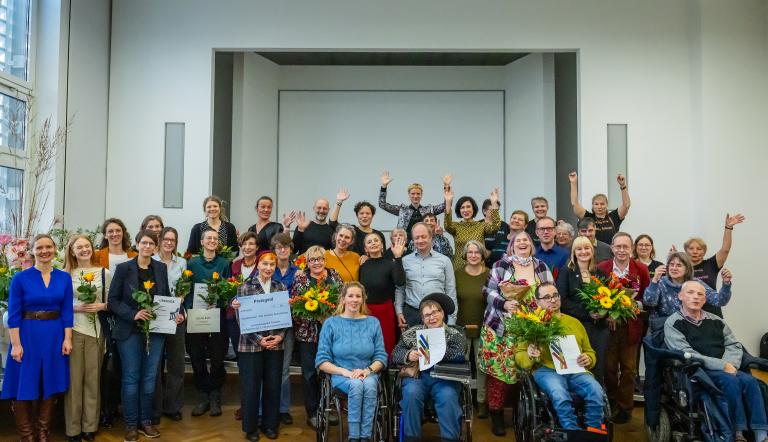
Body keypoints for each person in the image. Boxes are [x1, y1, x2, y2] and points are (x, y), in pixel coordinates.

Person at [664, 280, 768, 442]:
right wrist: (721, 365)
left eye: (700, 294)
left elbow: (734, 344)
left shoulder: (716, 320)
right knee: (730, 382)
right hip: (700, 370)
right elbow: (686, 353)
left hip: (727, 366)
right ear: (681, 296)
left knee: (750, 382)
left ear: (705, 300)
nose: (695, 297)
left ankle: (760, 431)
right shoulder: (673, 322)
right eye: (690, 293)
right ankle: (738, 431)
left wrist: (730, 364)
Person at [108, 230, 183, 442]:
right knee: (131, 378)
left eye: (152, 243)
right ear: (137, 244)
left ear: (156, 246)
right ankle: (131, 424)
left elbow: (166, 297)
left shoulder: (159, 268)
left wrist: (175, 314)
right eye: (144, 243)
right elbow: (112, 301)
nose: (148, 246)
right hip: (129, 330)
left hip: (156, 330)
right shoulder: (124, 268)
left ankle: (146, 421)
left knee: (150, 378)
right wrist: (133, 314)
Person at [479, 231, 553, 436]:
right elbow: (487, 291)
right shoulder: (501, 265)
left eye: (526, 240)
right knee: (501, 376)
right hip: (501, 329)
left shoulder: (541, 267)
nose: (522, 243)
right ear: (511, 245)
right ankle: (496, 414)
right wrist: (504, 303)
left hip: (531, 329)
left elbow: (550, 293)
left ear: (531, 245)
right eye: (517, 240)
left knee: (527, 372)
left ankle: (524, 413)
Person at [2, 234, 74, 441]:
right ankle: (27, 435)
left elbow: (67, 311)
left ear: (55, 249)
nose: (44, 251)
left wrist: (67, 339)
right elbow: (14, 315)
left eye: (48, 247)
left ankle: (43, 431)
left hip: (54, 333)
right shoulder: (20, 278)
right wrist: (16, 344)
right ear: (32, 251)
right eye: (39, 247)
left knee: (49, 380)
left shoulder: (63, 278)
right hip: (27, 334)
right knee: (24, 381)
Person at [515, 283, 607, 434]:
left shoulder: (575, 323)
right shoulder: (530, 324)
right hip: (547, 370)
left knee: (596, 390)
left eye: (555, 295)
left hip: (575, 369)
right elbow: (519, 356)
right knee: (559, 393)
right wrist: (530, 354)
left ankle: (594, 431)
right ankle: (571, 432)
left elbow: (590, 352)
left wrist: (588, 359)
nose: (553, 300)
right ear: (537, 302)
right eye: (547, 297)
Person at [316, 282, 388, 442]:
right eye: (350, 296)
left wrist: (367, 370)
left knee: (368, 385)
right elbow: (321, 360)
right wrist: (345, 372)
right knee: (356, 385)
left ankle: (365, 436)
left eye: (358, 296)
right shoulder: (331, 323)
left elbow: (381, 356)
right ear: (343, 299)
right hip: (341, 374)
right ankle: (355, 437)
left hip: (367, 372)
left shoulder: (373, 323)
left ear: (363, 300)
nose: (354, 300)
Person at [392, 293, 468, 442]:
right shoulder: (412, 333)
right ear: (422, 319)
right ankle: (411, 438)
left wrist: (436, 351)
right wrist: (408, 355)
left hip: (444, 378)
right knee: (411, 394)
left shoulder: (455, 334)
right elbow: (395, 354)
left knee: (448, 396)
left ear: (442, 313)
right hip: (418, 377)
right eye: (427, 315)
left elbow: (460, 353)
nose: (431, 317)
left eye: (435, 312)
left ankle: (450, 439)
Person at [231, 251, 288, 441]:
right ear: (258, 265)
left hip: (275, 345)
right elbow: (242, 319)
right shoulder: (245, 287)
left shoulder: (281, 287)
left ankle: (270, 425)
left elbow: (284, 317)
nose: (268, 268)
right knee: (251, 387)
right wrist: (259, 340)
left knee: (273, 385)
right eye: (265, 264)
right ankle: (251, 428)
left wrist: (279, 337)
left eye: (272, 265)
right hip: (251, 345)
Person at [596, 232, 650, 424]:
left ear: (631, 249)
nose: (621, 250)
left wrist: (633, 306)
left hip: (631, 327)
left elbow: (646, 299)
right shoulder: (601, 268)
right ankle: (611, 402)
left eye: (625, 247)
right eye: (618, 246)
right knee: (609, 368)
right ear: (612, 248)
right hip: (608, 327)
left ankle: (626, 407)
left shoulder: (641, 270)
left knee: (629, 370)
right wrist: (607, 311)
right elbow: (597, 296)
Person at [63, 234, 111, 442]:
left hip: (96, 331)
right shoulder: (65, 274)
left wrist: (103, 306)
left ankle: (89, 426)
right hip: (72, 331)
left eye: (87, 246)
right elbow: (59, 304)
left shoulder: (104, 273)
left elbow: (113, 303)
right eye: (79, 247)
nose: (84, 249)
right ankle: (73, 429)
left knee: (92, 380)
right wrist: (76, 308)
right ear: (72, 251)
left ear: (92, 248)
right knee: (74, 382)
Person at [290, 246, 343, 428]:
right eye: (312, 260)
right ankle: (312, 412)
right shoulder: (301, 278)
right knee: (310, 374)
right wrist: (317, 317)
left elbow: (343, 303)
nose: (317, 263)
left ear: (325, 260)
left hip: (333, 335)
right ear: (307, 262)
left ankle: (327, 408)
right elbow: (295, 308)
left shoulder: (335, 276)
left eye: (320, 259)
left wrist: (329, 317)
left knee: (329, 372)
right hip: (308, 336)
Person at [185, 228, 232, 417]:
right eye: (208, 238)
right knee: (196, 356)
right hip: (196, 315)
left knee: (217, 357)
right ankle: (203, 395)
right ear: (202, 242)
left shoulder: (224, 263)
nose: (212, 241)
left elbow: (228, 289)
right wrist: (190, 309)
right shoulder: (192, 263)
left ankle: (215, 395)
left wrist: (219, 302)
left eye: (215, 238)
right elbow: (186, 289)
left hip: (217, 315)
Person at [95, 217, 136, 428]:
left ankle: (122, 405)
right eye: (110, 231)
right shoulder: (96, 256)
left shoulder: (134, 256)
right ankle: (107, 409)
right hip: (104, 315)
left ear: (123, 232)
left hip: (128, 316)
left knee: (124, 362)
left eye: (117, 230)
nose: (114, 234)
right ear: (105, 234)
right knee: (107, 364)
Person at [557, 236, 610, 384]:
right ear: (573, 252)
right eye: (579, 249)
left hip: (599, 328)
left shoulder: (600, 273)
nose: (583, 252)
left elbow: (608, 300)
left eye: (587, 248)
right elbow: (563, 301)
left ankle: (597, 401)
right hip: (576, 326)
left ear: (592, 251)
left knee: (598, 366)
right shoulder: (566, 272)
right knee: (579, 366)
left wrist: (603, 312)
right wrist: (588, 312)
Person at [153, 227, 188, 423]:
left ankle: (173, 406)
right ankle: (155, 407)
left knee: (176, 364)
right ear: (159, 240)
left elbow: (184, 290)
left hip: (177, 318)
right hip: (156, 318)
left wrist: (180, 310)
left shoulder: (182, 262)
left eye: (173, 240)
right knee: (155, 365)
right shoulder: (151, 260)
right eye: (166, 239)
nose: (169, 243)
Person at [681, 213, 745, 317]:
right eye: (691, 248)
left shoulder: (711, 264)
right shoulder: (681, 268)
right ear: (686, 251)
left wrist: (728, 227)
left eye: (699, 248)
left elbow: (725, 249)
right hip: (688, 313)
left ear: (704, 251)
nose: (695, 251)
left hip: (712, 312)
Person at [454, 240, 491, 418]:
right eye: (470, 252)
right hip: (461, 325)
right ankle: (463, 399)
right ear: (465, 255)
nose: (474, 255)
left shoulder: (490, 274)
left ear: (482, 255)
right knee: (462, 365)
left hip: (485, 326)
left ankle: (482, 401)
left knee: (482, 365)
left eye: (477, 252)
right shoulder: (457, 274)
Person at [395, 222, 457, 328]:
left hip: (437, 315)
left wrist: (452, 320)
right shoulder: (405, 261)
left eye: (423, 237)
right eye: (417, 238)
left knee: (437, 345)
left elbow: (451, 291)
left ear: (431, 237)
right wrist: (399, 311)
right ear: (413, 240)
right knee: (412, 345)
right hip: (412, 314)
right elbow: (400, 289)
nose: (420, 240)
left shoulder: (444, 261)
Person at [643, 252, 733, 324]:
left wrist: (726, 283)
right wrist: (655, 280)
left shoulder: (695, 283)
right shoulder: (660, 282)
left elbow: (719, 301)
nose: (674, 268)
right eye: (671, 264)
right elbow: (649, 302)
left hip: (690, 327)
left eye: (679, 265)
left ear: (687, 268)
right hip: (664, 328)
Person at [359, 232, 406, 356]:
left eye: (376, 240)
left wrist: (398, 257)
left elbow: (400, 282)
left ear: (382, 245)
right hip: (366, 311)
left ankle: (385, 373)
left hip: (385, 310)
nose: (373, 243)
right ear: (365, 249)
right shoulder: (362, 266)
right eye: (369, 242)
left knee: (386, 345)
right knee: (367, 345)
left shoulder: (390, 264)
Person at [270, 233, 300, 425]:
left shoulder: (298, 272)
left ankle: (282, 409)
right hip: (266, 325)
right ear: (274, 250)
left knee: (284, 369)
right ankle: (267, 407)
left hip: (287, 326)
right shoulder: (266, 268)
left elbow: (301, 298)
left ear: (290, 250)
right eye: (279, 247)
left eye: (286, 247)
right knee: (267, 368)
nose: (282, 250)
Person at [378, 170, 451, 240]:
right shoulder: (402, 210)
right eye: (413, 194)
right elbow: (382, 204)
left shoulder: (429, 210)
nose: (415, 196)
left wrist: (446, 187)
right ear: (409, 195)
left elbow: (446, 204)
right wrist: (384, 187)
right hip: (405, 246)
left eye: (418, 194)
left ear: (421, 195)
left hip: (425, 243)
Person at [443, 187, 501, 269]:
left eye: (468, 207)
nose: (465, 210)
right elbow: (447, 225)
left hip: (478, 269)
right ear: (459, 210)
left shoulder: (481, 225)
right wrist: (448, 202)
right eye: (462, 207)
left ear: (473, 208)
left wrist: (494, 204)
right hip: (459, 269)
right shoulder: (455, 227)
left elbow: (495, 227)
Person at [569, 171, 631, 244]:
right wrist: (573, 183)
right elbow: (574, 203)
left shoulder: (614, 217)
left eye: (602, 204)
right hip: (591, 252)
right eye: (596, 204)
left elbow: (626, 205)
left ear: (606, 205)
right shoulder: (587, 217)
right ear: (592, 205)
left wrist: (623, 186)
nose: (599, 206)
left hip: (610, 252)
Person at [328, 188, 386, 255]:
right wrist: (339, 202)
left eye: (368, 213)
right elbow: (332, 223)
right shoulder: (352, 230)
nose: (364, 216)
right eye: (361, 213)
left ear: (372, 216)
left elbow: (382, 255)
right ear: (357, 216)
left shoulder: (378, 235)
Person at [482, 198, 509, 267]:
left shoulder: (505, 226)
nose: (495, 212)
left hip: (502, 266)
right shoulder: (479, 225)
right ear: (484, 211)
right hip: (484, 266)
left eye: (497, 210)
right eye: (492, 210)